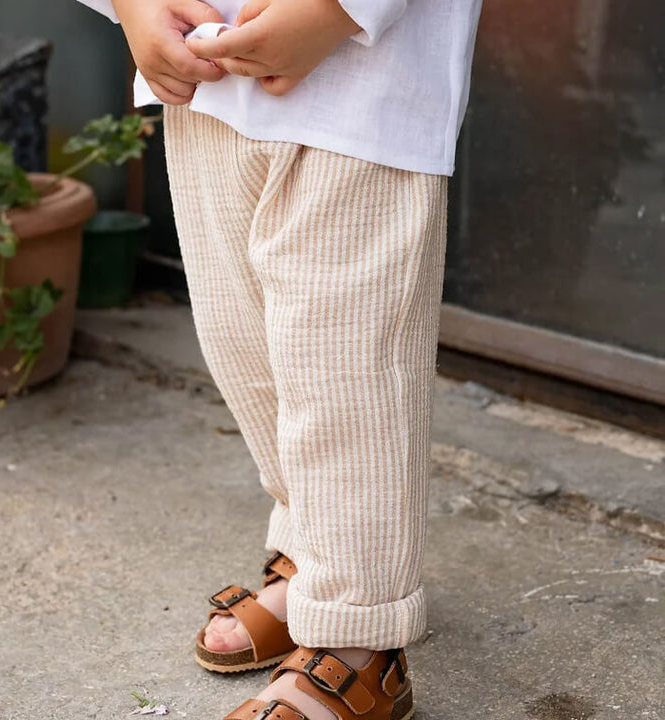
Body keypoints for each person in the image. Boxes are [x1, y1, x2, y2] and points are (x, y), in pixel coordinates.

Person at [76, 1, 483, 718]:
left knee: (345, 367)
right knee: (249, 350)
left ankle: (359, 634)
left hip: (360, 76)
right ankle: (315, 555)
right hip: (200, 66)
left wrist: (338, 9)